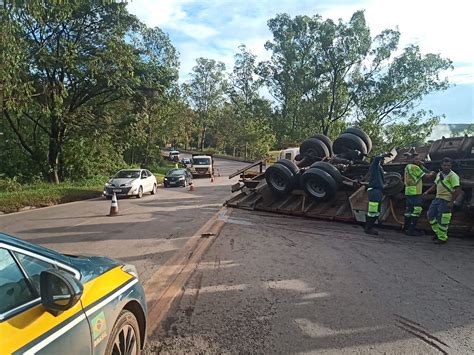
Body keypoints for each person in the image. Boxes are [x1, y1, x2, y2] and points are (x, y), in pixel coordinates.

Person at [422, 157, 461, 244]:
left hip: (446, 200)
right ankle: (438, 233)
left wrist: (451, 202)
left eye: (448, 165)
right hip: (437, 198)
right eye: (444, 165)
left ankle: (442, 238)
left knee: (443, 219)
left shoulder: (453, 176)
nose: (446, 167)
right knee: (430, 215)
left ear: (451, 166)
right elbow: (435, 185)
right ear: (441, 165)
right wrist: (427, 191)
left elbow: (457, 189)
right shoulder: (439, 174)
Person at [403, 155, 435, 236]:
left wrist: (420, 165)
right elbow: (426, 176)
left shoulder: (407, 166)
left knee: (409, 211)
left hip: (409, 191)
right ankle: (411, 231)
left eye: (419, 159)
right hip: (415, 192)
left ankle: (406, 228)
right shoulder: (414, 167)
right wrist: (432, 173)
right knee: (417, 210)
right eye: (416, 159)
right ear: (411, 159)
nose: (418, 160)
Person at [365, 152, 392, 235]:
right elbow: (376, 159)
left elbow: (384, 176)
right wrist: (383, 155)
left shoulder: (379, 168)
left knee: (376, 212)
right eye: (382, 159)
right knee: (373, 211)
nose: (383, 160)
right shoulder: (374, 166)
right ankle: (368, 228)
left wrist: (387, 183)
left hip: (378, 191)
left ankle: (368, 226)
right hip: (374, 190)